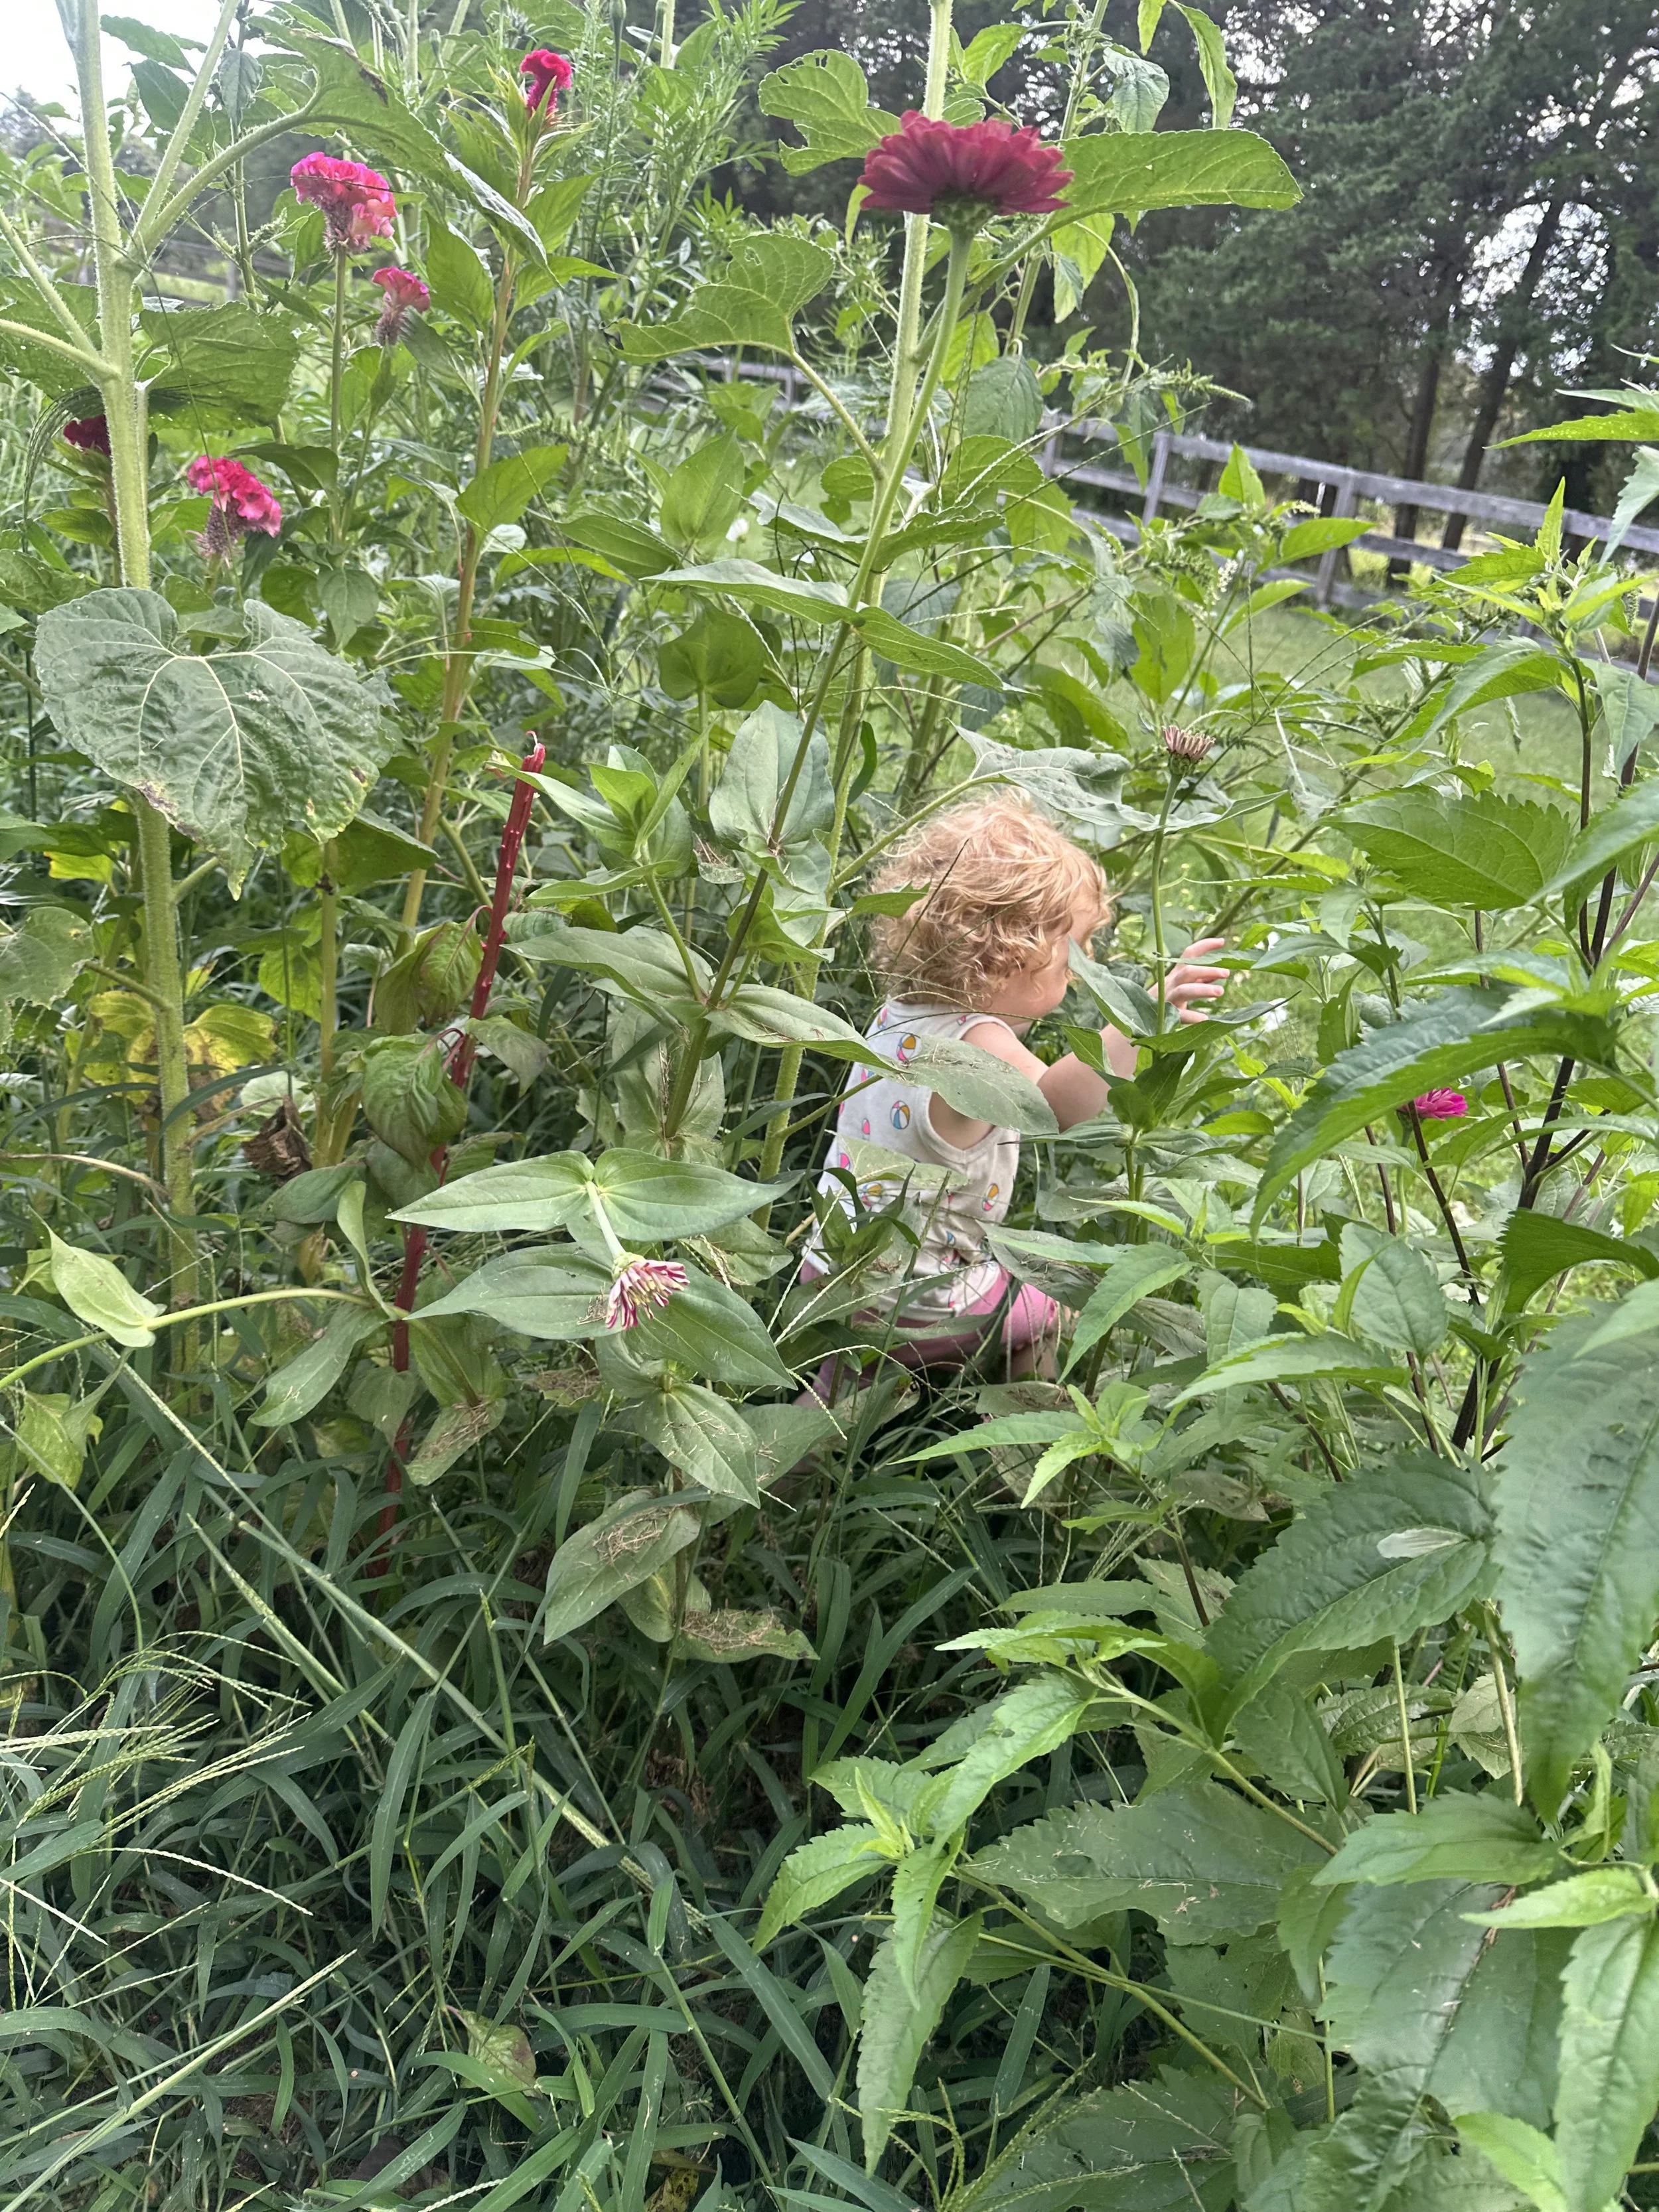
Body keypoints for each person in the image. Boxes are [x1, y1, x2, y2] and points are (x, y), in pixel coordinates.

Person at [800, 792, 1226, 1389]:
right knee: (1046, 1308)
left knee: (837, 1407)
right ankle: (1029, 1457)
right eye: (1073, 950)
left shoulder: (896, 1017)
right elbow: (1058, 1104)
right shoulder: (978, 1046)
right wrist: (1139, 1018)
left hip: (837, 1276)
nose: (1082, 966)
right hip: (923, 1303)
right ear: (1007, 955)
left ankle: (791, 1464)